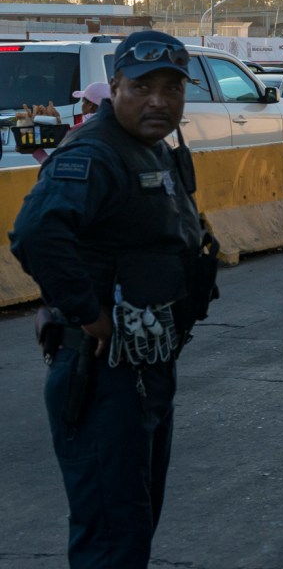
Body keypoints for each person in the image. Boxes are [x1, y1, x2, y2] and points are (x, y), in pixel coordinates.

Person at [9, 30, 218, 569]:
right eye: (143, 86)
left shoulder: (152, 147)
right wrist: (86, 314)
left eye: (172, 88)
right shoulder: (95, 152)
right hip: (103, 374)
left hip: (143, 367)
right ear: (116, 86)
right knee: (111, 533)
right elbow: (36, 233)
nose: (159, 100)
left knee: (133, 520)